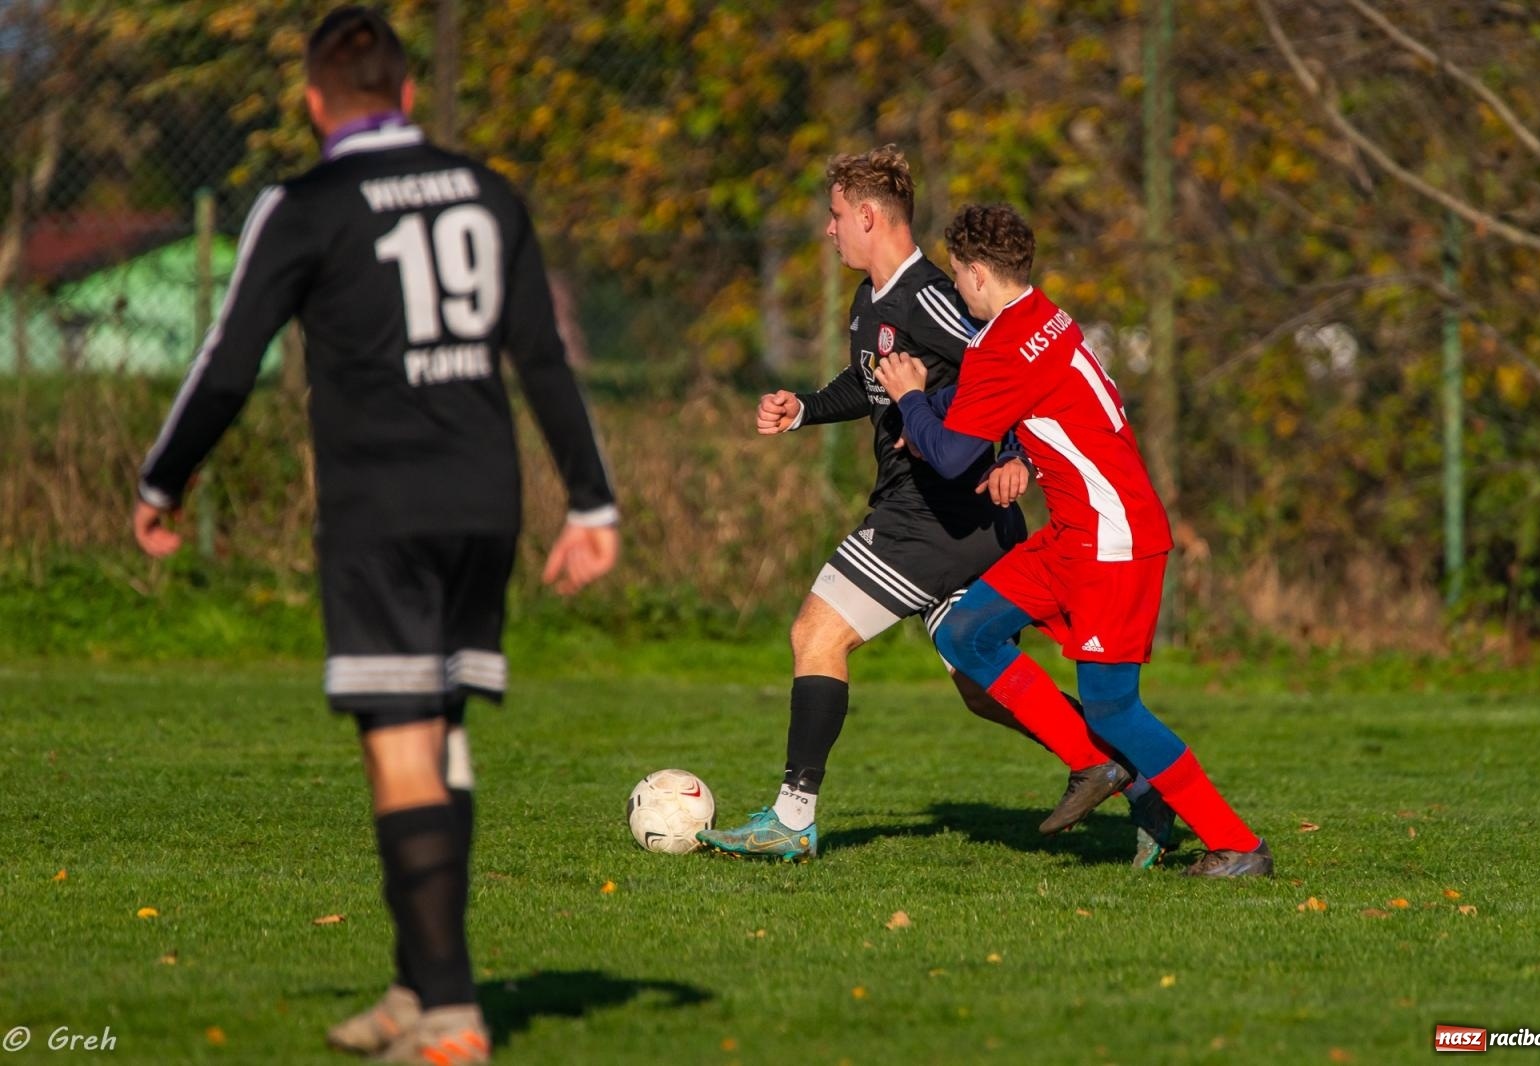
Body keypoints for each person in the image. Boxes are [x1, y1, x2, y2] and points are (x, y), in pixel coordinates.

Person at [132, 8, 620, 1061]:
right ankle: (415, 985)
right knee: (438, 738)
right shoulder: (487, 190)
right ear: (405, 94)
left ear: (315, 104)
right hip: (486, 500)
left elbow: (228, 361)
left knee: (399, 747)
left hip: (383, 509)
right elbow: (542, 355)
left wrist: (162, 479)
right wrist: (592, 503)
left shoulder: (305, 204)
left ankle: (450, 1016)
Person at [698, 146, 1162, 864]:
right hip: (946, 521)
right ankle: (1132, 774)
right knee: (981, 685)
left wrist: (1015, 456)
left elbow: (1013, 368)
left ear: (868, 216)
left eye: (834, 215)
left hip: (930, 517)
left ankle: (791, 819)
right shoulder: (871, 300)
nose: (828, 230)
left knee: (816, 634)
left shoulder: (934, 299)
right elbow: (870, 383)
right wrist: (806, 409)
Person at [874, 203, 1271, 877]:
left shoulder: (1002, 345)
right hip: (1073, 535)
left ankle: (1236, 845)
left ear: (975, 273)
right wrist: (936, 418)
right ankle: (1097, 766)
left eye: (957, 274)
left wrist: (911, 400)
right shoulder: (1041, 317)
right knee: (965, 634)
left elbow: (952, 456)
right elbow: (987, 400)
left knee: (1115, 709)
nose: (956, 287)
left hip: (1113, 541)